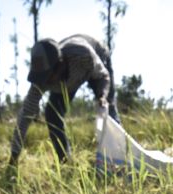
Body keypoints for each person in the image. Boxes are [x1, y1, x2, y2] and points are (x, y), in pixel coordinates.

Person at [9, 34, 119, 167]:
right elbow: (25, 115)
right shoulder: (42, 79)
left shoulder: (83, 55)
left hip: (96, 59)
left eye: (48, 77)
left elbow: (103, 76)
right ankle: (65, 162)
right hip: (68, 80)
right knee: (52, 115)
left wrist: (102, 96)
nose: (46, 82)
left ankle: (120, 156)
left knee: (107, 107)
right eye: (42, 78)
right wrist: (13, 158)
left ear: (59, 65)